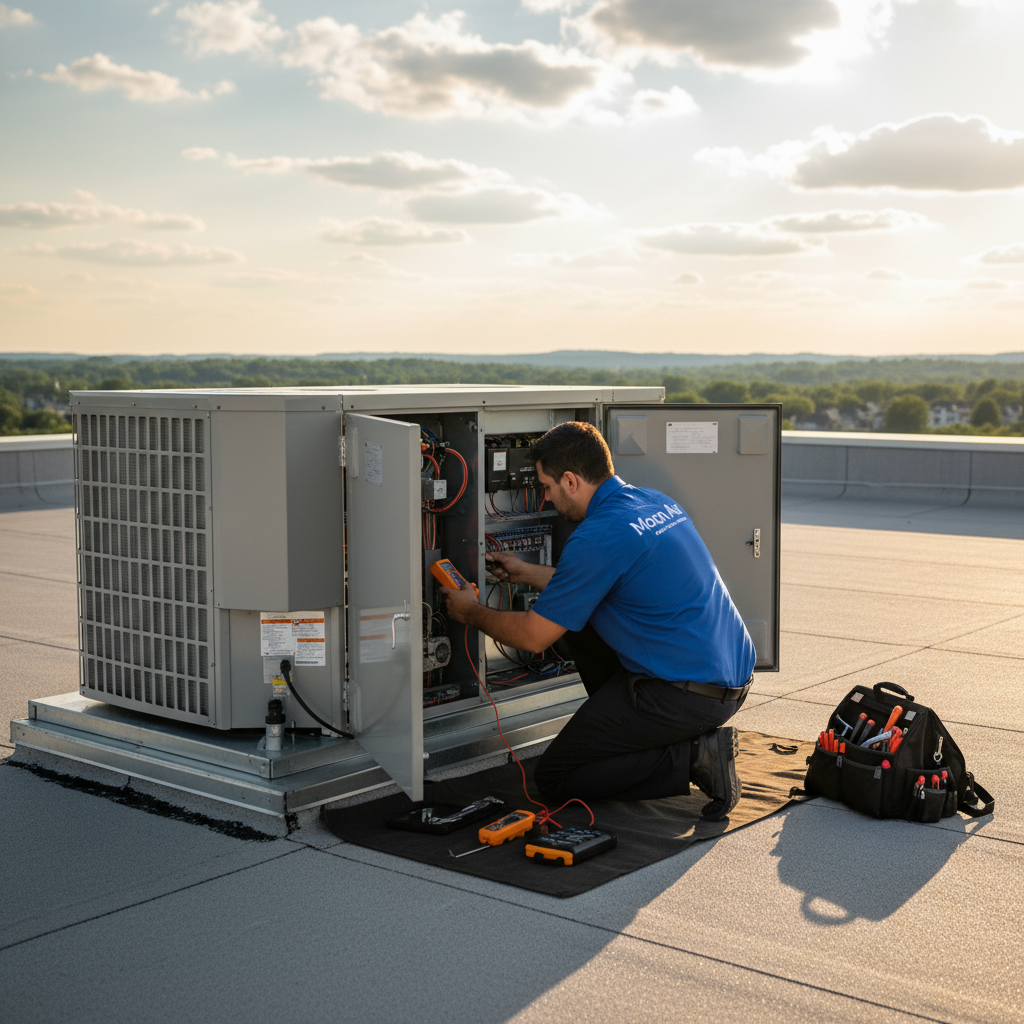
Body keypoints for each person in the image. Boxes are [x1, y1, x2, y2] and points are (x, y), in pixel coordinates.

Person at [442, 421, 755, 820]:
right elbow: (599, 581)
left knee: (557, 776)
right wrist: (524, 571)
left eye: (547, 487)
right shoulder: (653, 501)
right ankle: (639, 732)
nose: (546, 499)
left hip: (687, 697)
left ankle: (695, 757)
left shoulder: (596, 536)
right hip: (732, 682)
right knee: (579, 619)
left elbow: (535, 637)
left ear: (571, 481)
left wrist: (470, 611)